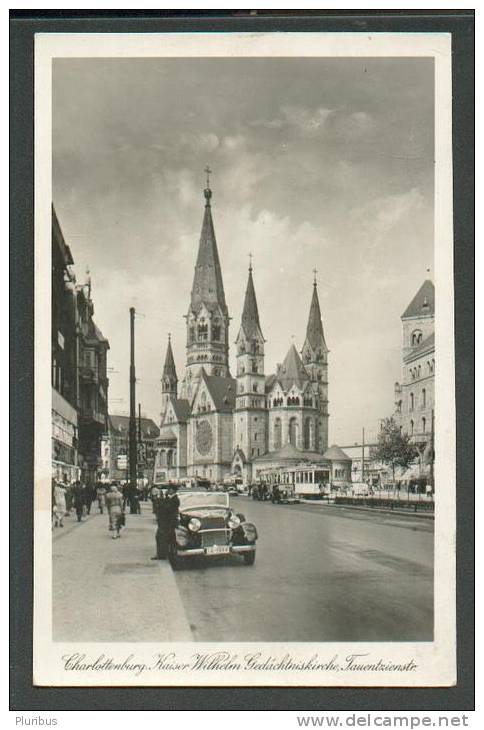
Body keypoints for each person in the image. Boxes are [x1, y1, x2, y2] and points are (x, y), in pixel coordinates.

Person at [151, 485, 179, 560]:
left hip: (169, 523)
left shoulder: (175, 499)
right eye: (168, 489)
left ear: (174, 490)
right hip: (165, 522)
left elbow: (167, 509)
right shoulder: (168, 498)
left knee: (162, 538)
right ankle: (163, 554)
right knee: (163, 538)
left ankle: (162, 555)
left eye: (170, 489)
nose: (168, 490)